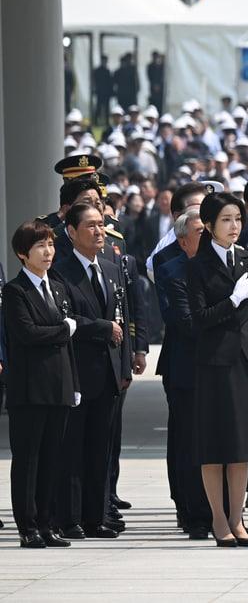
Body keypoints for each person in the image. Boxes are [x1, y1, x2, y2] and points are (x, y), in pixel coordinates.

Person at [186, 191, 248, 548]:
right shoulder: (197, 265)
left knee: (243, 445)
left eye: (238, 219)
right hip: (214, 363)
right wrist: (232, 300)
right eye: (226, 220)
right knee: (215, 446)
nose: (234, 226)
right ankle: (218, 518)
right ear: (208, 226)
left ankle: (238, 518)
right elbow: (199, 320)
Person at [52, 202, 130, 539]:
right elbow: (64, 318)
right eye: (91, 226)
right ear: (71, 232)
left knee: (101, 448)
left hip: (109, 372)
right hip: (77, 370)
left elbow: (124, 320)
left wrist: (125, 365)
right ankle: (68, 518)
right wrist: (101, 327)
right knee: (73, 449)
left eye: (101, 225)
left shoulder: (111, 268)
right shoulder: (60, 271)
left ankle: (96, 516)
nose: (99, 232)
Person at [4, 220, 80, 549]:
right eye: (40, 246)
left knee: (53, 458)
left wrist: (73, 381)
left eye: (50, 244)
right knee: (29, 459)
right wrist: (65, 329)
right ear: (23, 254)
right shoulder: (15, 291)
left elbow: (69, 344)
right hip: (30, 389)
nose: (48, 251)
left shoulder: (58, 288)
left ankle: (47, 523)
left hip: (59, 385)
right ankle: (28, 524)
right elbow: (27, 333)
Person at [154, 210, 213, 539]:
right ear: (182, 239)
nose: (204, 237)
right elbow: (185, 321)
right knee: (188, 443)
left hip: (217, 367)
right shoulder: (170, 270)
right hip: (185, 368)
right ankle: (192, 512)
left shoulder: (219, 266)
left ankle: (217, 509)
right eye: (198, 231)